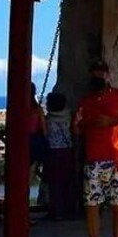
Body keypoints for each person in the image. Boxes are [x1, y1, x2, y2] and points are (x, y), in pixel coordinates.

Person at [72, 61, 118, 237]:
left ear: (109, 75)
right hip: (93, 160)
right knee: (91, 206)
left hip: (117, 160)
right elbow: (78, 132)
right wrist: (75, 123)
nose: (98, 78)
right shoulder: (86, 101)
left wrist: (111, 122)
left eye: (101, 75)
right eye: (95, 75)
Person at [43, 92, 75, 220]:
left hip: (53, 152)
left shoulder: (48, 120)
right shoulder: (69, 117)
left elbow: (45, 134)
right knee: (67, 181)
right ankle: (69, 209)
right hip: (68, 151)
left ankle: (56, 211)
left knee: (54, 183)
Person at [29, 83, 47, 207]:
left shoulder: (16, 108)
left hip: (20, 142)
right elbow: (44, 130)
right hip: (34, 142)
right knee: (29, 177)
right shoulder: (37, 109)